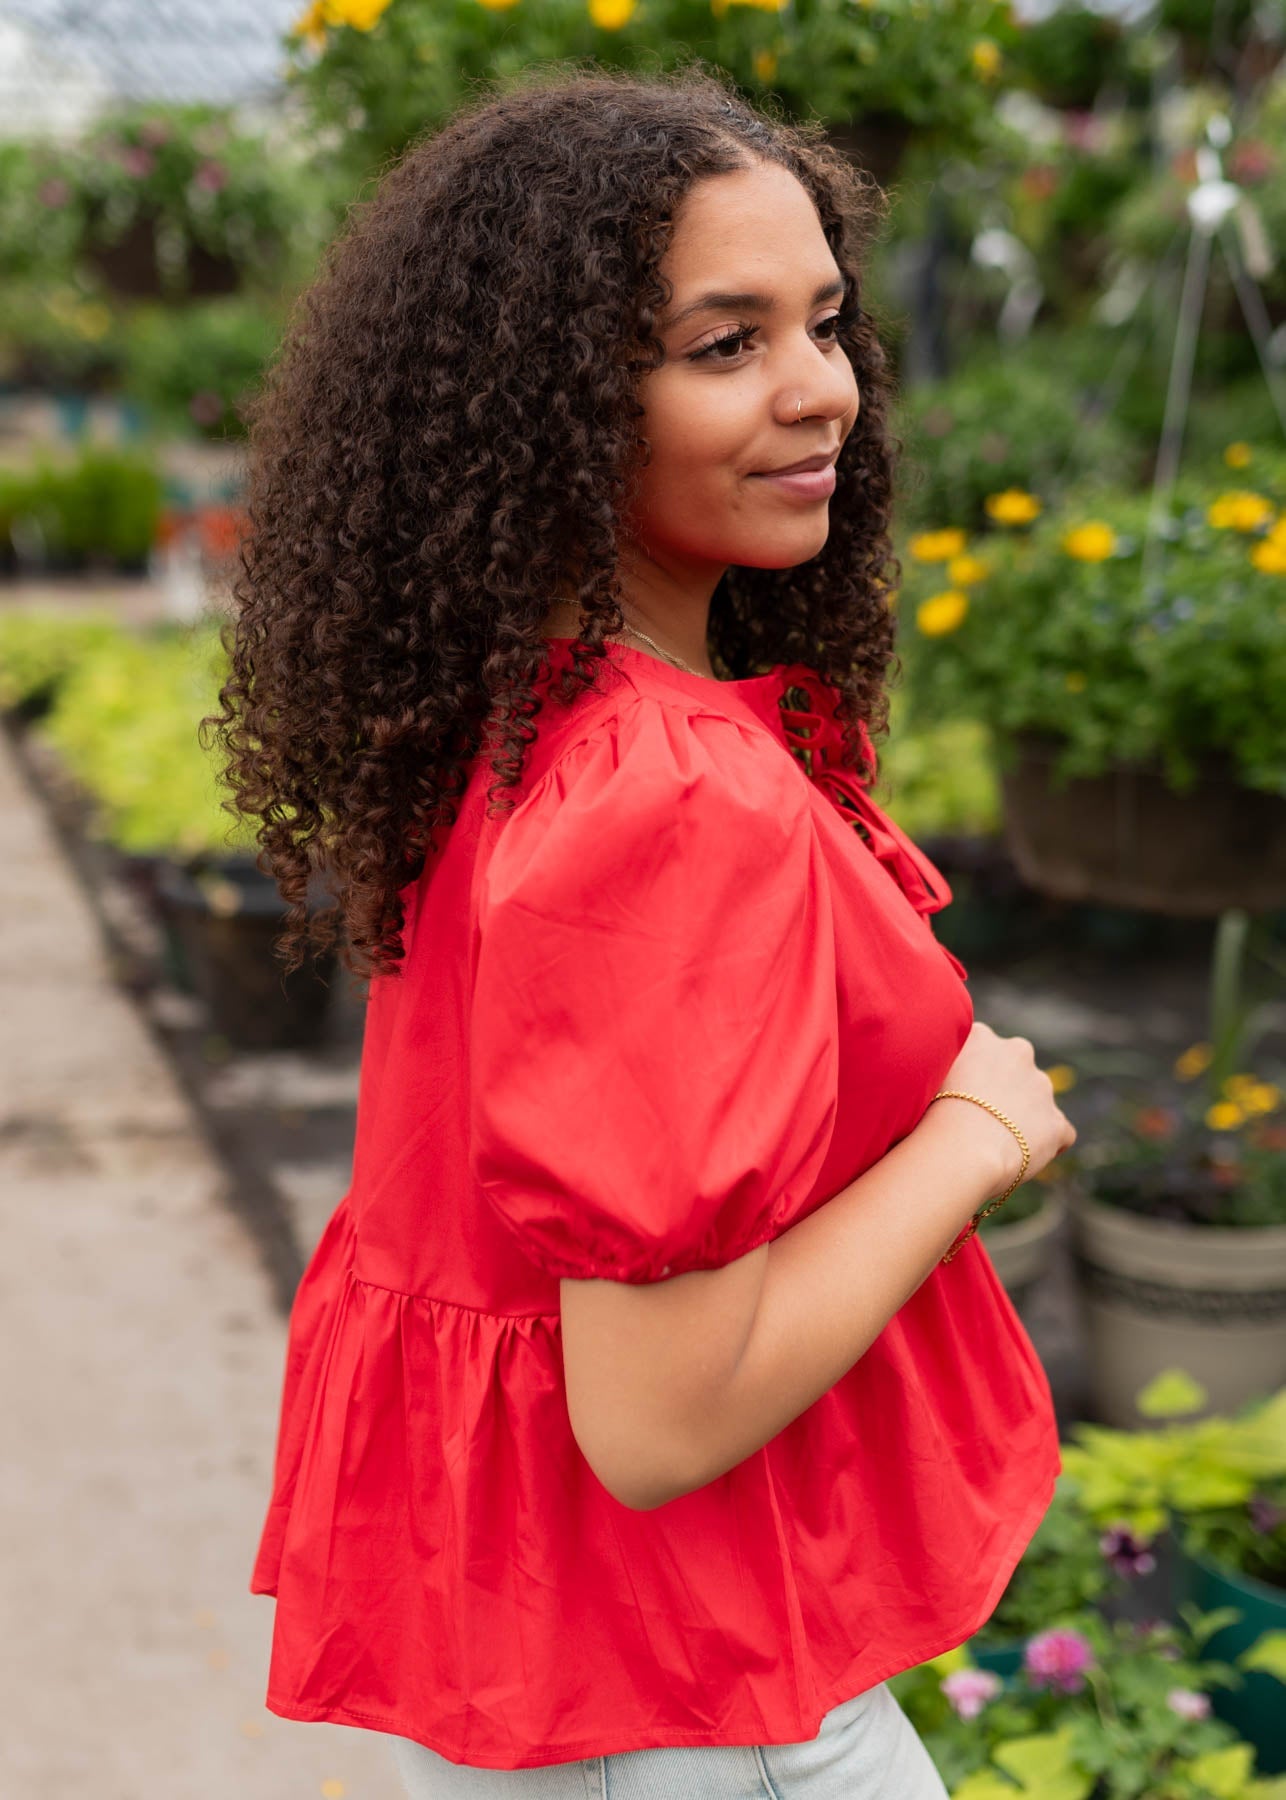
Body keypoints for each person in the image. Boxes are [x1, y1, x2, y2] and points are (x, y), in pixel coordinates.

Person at [215, 65, 1076, 1799]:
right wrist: (973, 1135)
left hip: (572, 1672)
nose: (819, 389)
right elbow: (660, 1417)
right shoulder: (666, 798)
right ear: (547, 403)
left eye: (822, 322)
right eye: (722, 345)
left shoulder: (508, 715)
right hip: (696, 1704)